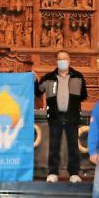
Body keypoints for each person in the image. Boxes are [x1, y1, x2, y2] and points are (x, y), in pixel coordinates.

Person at [35, 50, 88, 183]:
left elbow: (83, 95)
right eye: (60, 59)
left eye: (65, 58)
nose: (63, 61)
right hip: (55, 116)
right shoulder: (48, 77)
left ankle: (74, 173)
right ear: (56, 61)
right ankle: (53, 172)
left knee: (73, 146)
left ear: (70, 61)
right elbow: (37, 91)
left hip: (72, 116)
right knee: (54, 146)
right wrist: (34, 79)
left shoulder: (78, 77)